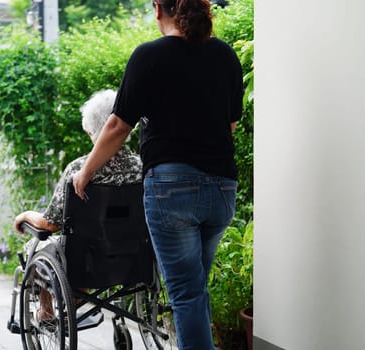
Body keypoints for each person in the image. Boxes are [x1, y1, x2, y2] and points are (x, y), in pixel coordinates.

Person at [72, 1, 243, 349]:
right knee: (194, 289)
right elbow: (231, 124)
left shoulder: (148, 56)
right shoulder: (225, 55)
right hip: (221, 189)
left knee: (187, 293)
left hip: (172, 189)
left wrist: (86, 171)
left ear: (157, 9)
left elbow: (119, 125)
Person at [13, 89, 142, 320]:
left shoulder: (80, 170)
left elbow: (49, 224)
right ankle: (77, 297)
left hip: (87, 263)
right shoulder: (142, 167)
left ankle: (46, 311)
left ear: (93, 133)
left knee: (38, 245)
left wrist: (24, 216)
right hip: (132, 258)